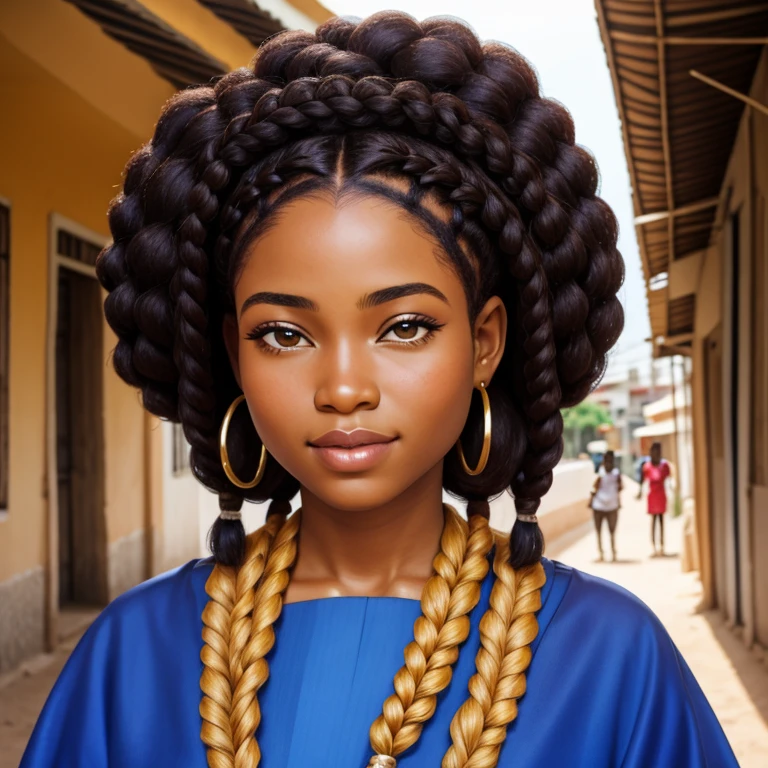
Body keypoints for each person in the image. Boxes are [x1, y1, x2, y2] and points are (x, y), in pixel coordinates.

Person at [21, 12, 737, 767]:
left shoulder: (611, 660)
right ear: (232, 351)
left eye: (403, 327)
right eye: (283, 334)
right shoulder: (133, 655)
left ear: (485, 341)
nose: (342, 388)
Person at [639, 441, 672, 557]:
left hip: (661, 495)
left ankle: (662, 546)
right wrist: (640, 492)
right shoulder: (647, 466)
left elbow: (669, 480)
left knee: (661, 520)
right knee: (653, 521)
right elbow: (643, 481)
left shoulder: (664, 466)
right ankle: (653, 546)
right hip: (652, 496)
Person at [589, 450, 622, 562]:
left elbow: (620, 488)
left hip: (612, 506)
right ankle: (601, 553)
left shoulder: (616, 474)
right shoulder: (600, 473)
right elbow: (594, 487)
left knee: (612, 531)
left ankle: (613, 553)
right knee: (599, 531)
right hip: (599, 506)